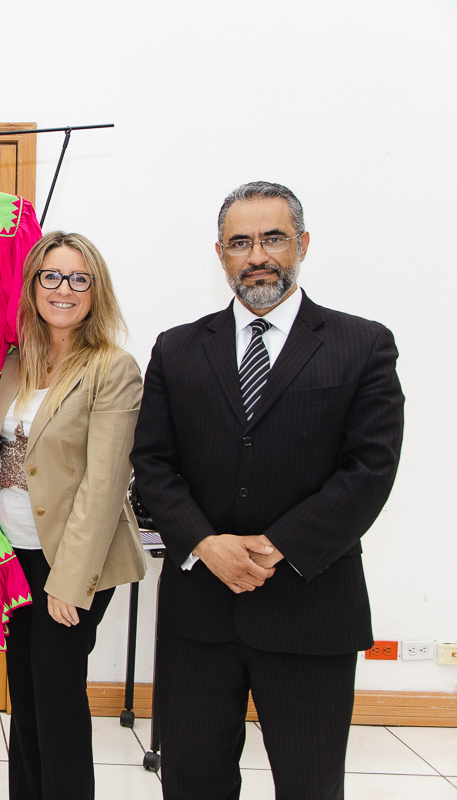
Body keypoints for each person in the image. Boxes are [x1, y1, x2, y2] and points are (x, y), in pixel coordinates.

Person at [131, 181, 404, 799]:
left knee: (310, 785)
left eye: (273, 238)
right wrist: (207, 544)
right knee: (192, 781)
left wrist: (273, 547)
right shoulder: (177, 348)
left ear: (302, 244)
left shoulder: (362, 344)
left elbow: (370, 469)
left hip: (311, 608)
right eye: (240, 242)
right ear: (220, 254)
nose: (257, 255)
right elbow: (152, 463)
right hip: (199, 614)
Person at [0, 231, 147, 800]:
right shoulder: (14, 364)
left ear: (95, 290)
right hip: (11, 555)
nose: (64, 289)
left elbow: (105, 485)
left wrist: (69, 580)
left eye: (79, 278)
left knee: (55, 692)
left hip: (72, 560)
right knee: (25, 690)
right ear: (33, 286)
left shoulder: (113, 369)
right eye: (51, 276)